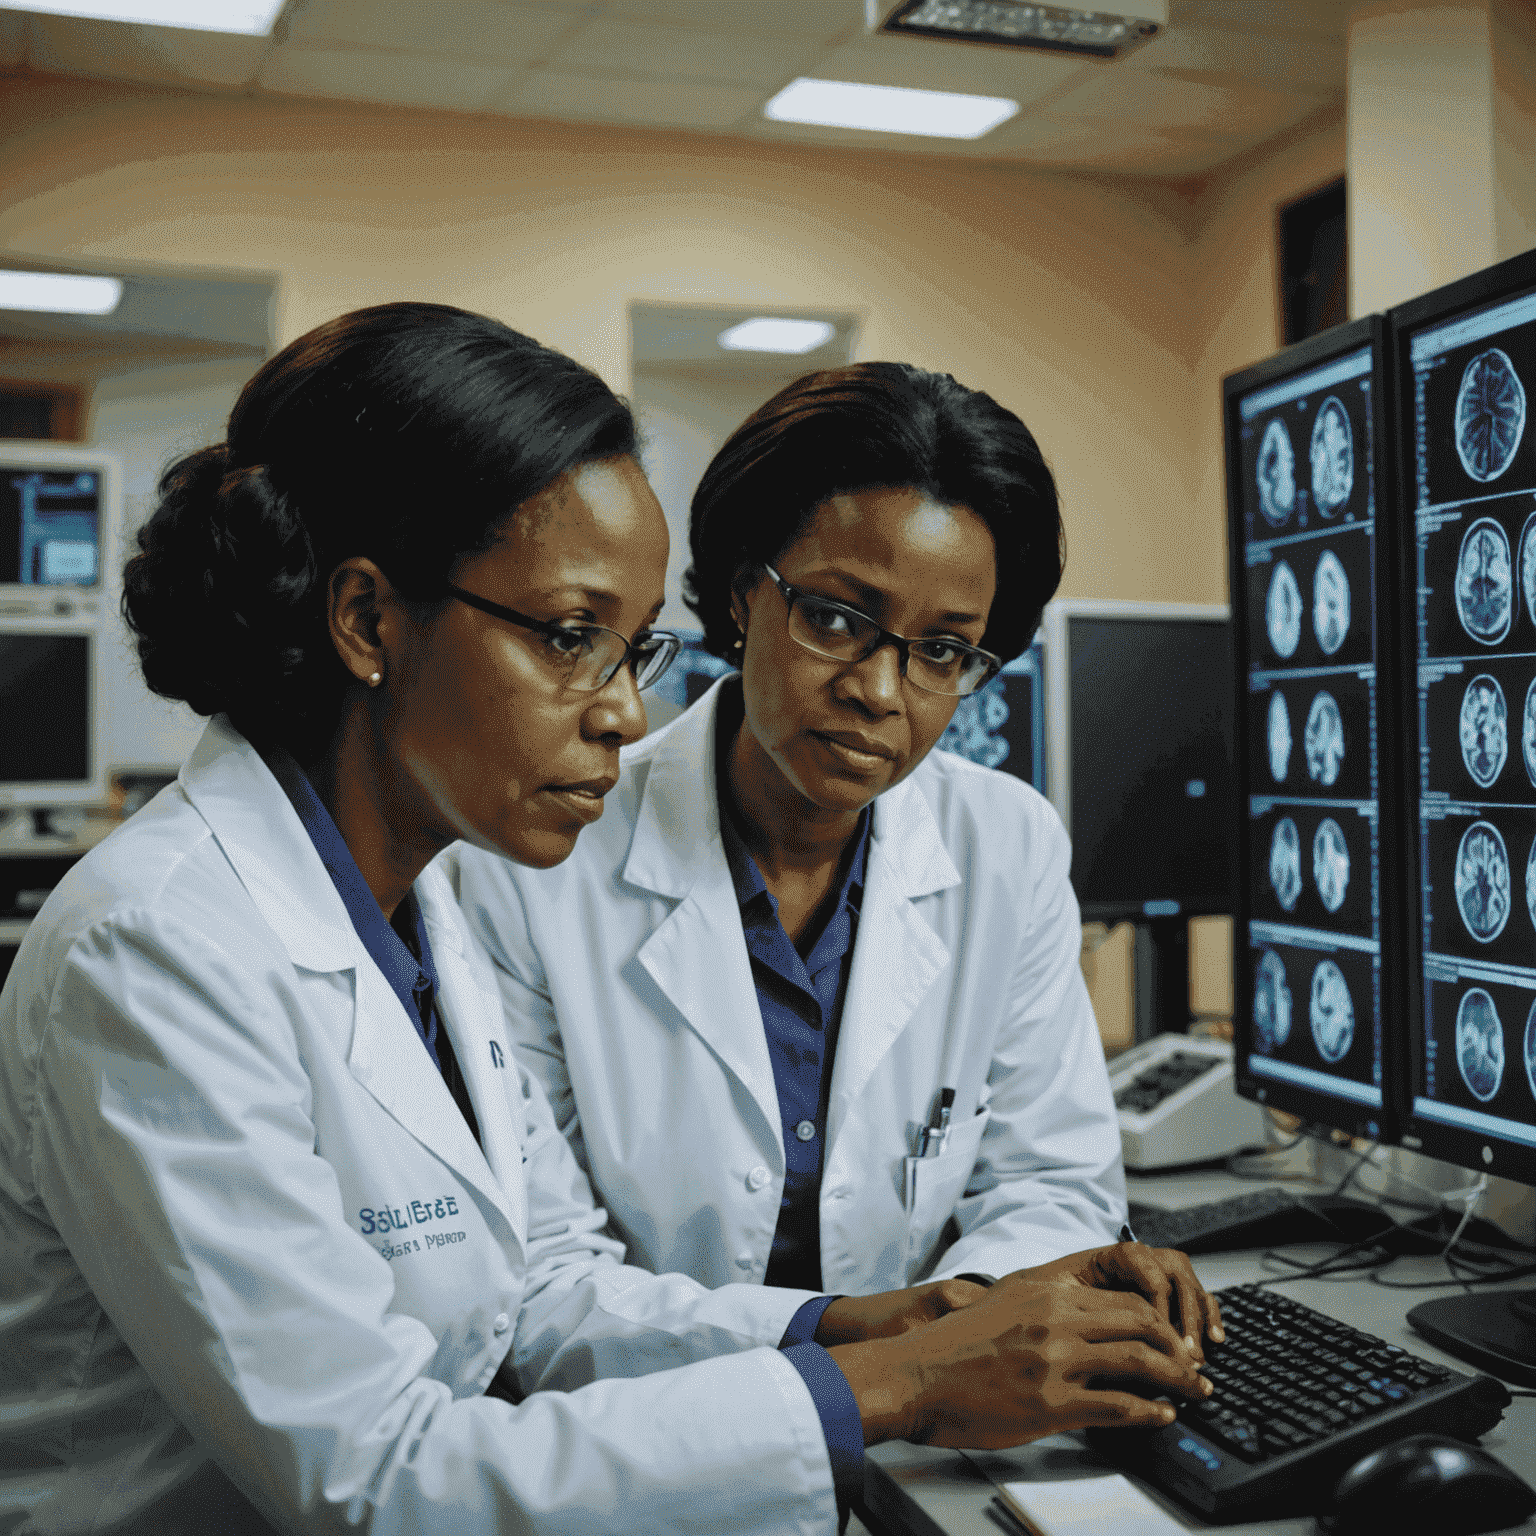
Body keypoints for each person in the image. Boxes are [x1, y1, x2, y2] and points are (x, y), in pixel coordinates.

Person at [0, 308, 1215, 1536]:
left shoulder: (415, 919)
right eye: (575, 637)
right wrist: (887, 1384)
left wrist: (863, 1325)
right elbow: (375, 1476)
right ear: (368, 620)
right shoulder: (155, 948)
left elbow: (524, 1302)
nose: (629, 717)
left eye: (635, 649)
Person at [447, 364, 1210, 1306]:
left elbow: (1050, 1184)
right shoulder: (536, 856)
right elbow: (547, 1269)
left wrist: (964, 1317)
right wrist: (900, 1354)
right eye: (837, 618)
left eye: (941, 650)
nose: (880, 692)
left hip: (940, 1428)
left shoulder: (1004, 844)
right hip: (655, 1424)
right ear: (740, 595)